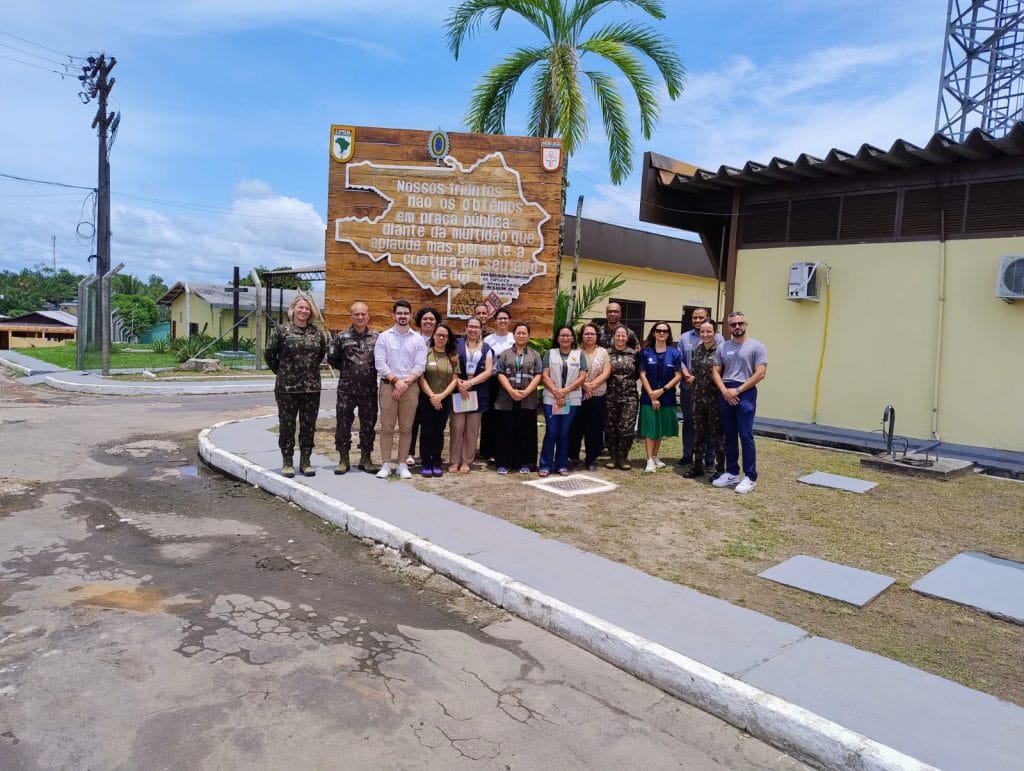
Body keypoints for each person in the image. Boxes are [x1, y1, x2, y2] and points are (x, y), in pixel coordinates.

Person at [264, 295, 327, 478]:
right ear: (293, 309)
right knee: (287, 425)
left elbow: (321, 354)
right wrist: (283, 372)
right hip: (287, 389)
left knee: (309, 426)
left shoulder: (317, 333)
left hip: (311, 388)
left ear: (311, 312)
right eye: (300, 308)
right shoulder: (281, 330)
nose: (303, 311)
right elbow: (269, 354)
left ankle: (306, 461)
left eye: (307, 308)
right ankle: (287, 461)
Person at [712, 311, 768, 494]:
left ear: (746, 324)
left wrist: (738, 390)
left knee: (745, 435)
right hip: (726, 391)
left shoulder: (757, 346)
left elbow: (760, 373)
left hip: (745, 392)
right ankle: (732, 473)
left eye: (740, 323)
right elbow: (716, 371)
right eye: (733, 324)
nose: (737, 327)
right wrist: (725, 391)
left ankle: (750, 477)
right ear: (728, 327)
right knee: (729, 434)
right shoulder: (723, 347)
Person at [373, 300, 427, 480]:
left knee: (406, 428)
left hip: (410, 389)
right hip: (389, 387)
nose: (403, 316)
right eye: (399, 313)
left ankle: (403, 464)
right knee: (387, 428)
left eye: (406, 313)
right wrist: (396, 381)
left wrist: (405, 383)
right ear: (393, 315)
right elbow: (380, 363)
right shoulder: (384, 337)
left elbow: (420, 365)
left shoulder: (418, 339)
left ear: (411, 315)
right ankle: (386, 464)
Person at [326, 300, 378, 475]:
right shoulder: (341, 337)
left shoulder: (377, 338)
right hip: (346, 390)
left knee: (368, 425)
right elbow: (333, 359)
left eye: (363, 313)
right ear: (351, 316)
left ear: (368, 315)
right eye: (356, 314)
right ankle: (343, 459)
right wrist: (351, 370)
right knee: (343, 424)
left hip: (369, 391)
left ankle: (366, 458)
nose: (360, 316)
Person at [676, 307, 725, 469]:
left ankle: (710, 459)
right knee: (690, 422)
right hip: (688, 387)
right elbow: (680, 359)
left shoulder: (719, 340)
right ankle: (688, 455)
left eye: (701, 317)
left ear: (707, 318)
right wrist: (687, 375)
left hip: (711, 390)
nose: (697, 320)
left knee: (711, 425)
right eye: (694, 317)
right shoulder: (684, 338)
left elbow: (721, 363)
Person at [493, 322, 543, 474]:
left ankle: (526, 463)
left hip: (527, 399)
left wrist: (527, 391)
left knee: (526, 432)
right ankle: (504, 463)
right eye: (518, 333)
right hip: (507, 399)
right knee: (505, 431)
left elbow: (538, 375)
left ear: (528, 336)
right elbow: (500, 373)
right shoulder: (505, 354)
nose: (521, 335)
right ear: (513, 335)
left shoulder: (535, 355)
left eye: (524, 333)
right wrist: (510, 390)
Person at [539, 325, 588, 476]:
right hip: (551, 398)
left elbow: (582, 376)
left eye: (568, 335)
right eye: (562, 335)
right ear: (557, 338)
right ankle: (545, 465)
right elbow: (544, 375)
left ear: (573, 338)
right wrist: (556, 392)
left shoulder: (578, 354)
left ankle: (561, 464)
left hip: (571, 399)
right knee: (552, 431)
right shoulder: (550, 353)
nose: (565, 338)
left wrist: (565, 391)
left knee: (564, 432)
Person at [638, 321, 683, 473]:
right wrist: (652, 394)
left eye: (665, 331)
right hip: (648, 396)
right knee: (651, 428)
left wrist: (662, 391)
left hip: (667, 396)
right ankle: (649, 460)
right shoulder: (645, 353)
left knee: (660, 427)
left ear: (669, 334)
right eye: (659, 330)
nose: (662, 333)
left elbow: (678, 375)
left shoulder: (675, 353)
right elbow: (642, 375)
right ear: (653, 332)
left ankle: (655, 456)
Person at [450, 316, 493, 473]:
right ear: (465, 328)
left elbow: (489, 371)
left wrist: (471, 383)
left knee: (472, 429)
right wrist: (460, 384)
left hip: (477, 392)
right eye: (470, 326)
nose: (473, 329)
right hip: (458, 390)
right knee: (457, 426)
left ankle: (467, 461)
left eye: (476, 327)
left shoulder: (486, 348)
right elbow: (450, 364)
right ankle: (454, 461)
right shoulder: (456, 344)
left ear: (481, 329)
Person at [417, 323, 461, 477]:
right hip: (427, 399)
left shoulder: (453, 357)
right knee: (427, 431)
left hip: (445, 399)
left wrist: (441, 396)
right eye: (438, 335)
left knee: (439, 431)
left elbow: (455, 380)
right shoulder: (425, 353)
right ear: (433, 336)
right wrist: (432, 396)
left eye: (445, 336)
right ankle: (426, 462)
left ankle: (436, 461)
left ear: (448, 339)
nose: (441, 338)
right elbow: (421, 377)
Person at [568, 322, 611, 470]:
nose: (589, 336)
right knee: (575, 427)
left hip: (597, 395)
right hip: (577, 395)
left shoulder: (603, 352)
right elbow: (571, 372)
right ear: (582, 336)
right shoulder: (575, 352)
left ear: (597, 336)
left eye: (592, 333)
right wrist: (583, 385)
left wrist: (592, 385)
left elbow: (606, 372)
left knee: (594, 428)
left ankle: (591, 459)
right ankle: (573, 457)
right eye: (586, 333)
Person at [408, 307, 442, 466]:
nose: (428, 322)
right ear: (419, 322)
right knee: (413, 420)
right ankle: (409, 452)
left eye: (432, 319)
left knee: (433, 424)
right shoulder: (413, 339)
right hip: (415, 386)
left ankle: (429, 454)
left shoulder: (442, 340)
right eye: (425, 319)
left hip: (436, 389)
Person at [604, 325, 640, 470]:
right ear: (614, 337)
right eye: (617, 335)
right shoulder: (606, 353)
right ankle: (613, 457)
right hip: (610, 396)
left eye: (623, 335)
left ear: (627, 338)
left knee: (626, 428)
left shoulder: (634, 354)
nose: (620, 338)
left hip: (629, 397)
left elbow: (638, 373)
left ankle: (623, 457)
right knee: (611, 428)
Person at [480, 307, 513, 463]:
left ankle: (504, 448)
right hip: (491, 380)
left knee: (505, 416)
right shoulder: (487, 340)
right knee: (489, 416)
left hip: (509, 381)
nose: (503, 321)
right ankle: (488, 451)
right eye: (500, 318)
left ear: (509, 321)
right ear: (495, 321)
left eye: (505, 318)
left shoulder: (514, 338)